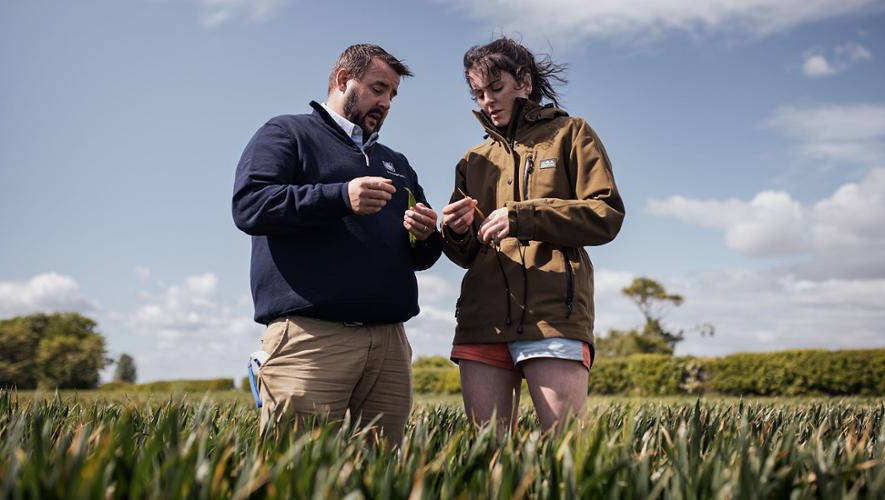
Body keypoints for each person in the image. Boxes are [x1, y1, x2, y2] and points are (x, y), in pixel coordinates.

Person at [232, 44, 442, 444]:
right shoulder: (286, 133)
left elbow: (420, 256)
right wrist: (341, 197)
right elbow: (250, 206)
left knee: (382, 478)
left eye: (393, 95)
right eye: (378, 88)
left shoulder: (396, 161)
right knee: (297, 476)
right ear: (344, 80)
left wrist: (427, 233)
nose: (386, 102)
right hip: (311, 340)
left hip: (390, 346)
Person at [440, 38, 624, 433]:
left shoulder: (572, 133)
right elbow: (468, 253)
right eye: (478, 93)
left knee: (564, 454)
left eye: (496, 88)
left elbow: (605, 215)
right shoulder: (473, 160)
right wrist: (456, 232)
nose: (487, 100)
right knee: (487, 458)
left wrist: (523, 217)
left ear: (523, 80)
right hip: (481, 321)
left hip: (554, 317)